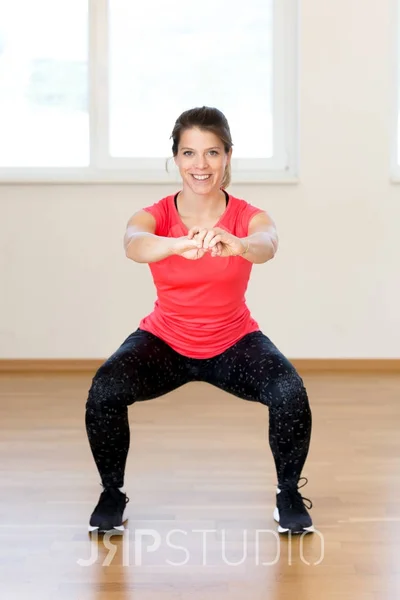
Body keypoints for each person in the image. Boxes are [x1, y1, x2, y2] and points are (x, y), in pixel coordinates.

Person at [85, 106, 314, 535]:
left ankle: (288, 495)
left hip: (233, 341)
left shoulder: (248, 216)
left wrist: (239, 245)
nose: (200, 165)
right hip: (165, 341)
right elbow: (134, 243)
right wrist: (175, 246)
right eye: (189, 153)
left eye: (211, 153)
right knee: (105, 390)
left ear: (228, 156)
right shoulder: (155, 215)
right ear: (176, 158)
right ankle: (112, 493)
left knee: (289, 392)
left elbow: (268, 243)